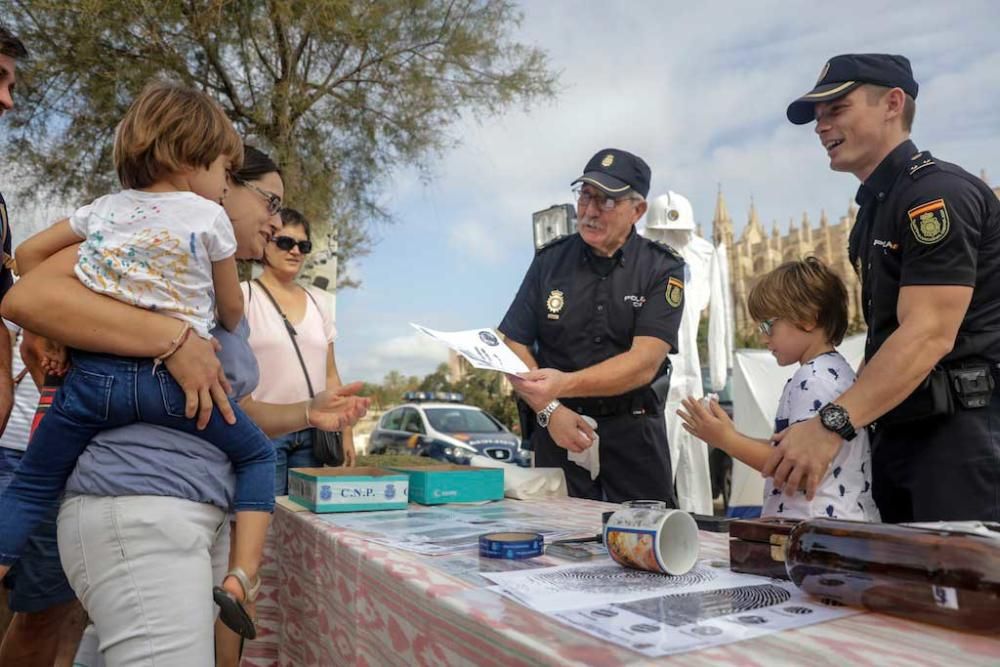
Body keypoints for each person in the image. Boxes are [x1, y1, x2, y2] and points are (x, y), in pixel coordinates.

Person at [1, 144, 369, 665]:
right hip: (142, 504)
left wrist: (309, 411)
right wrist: (173, 339)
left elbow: (221, 406)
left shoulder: (215, 281)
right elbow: (25, 297)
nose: (275, 220)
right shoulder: (145, 246)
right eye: (269, 202)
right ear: (221, 185)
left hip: (198, 510)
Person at [0, 81, 278, 638]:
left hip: (92, 385)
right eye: (225, 173)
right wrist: (195, 320)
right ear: (189, 160)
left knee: (34, 481)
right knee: (257, 459)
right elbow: (228, 309)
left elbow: (27, 257)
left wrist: (102, 283)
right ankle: (241, 578)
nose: (224, 187)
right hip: (167, 391)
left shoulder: (104, 214)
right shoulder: (206, 220)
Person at [767, 53, 1000, 522]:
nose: (820, 126)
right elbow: (886, 338)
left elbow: (927, 333)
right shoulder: (878, 207)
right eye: (817, 116)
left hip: (957, 437)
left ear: (893, 103)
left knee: (961, 588)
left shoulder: (934, 196)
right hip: (902, 430)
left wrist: (831, 424)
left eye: (837, 109)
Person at [500, 148, 686, 504]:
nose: (590, 210)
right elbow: (512, 343)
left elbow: (644, 362)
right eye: (586, 196)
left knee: (646, 547)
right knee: (554, 550)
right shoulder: (549, 262)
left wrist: (563, 385)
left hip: (634, 439)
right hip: (557, 431)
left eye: (607, 201)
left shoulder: (661, 269)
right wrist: (549, 409)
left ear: (638, 210)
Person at [678, 258, 879, 521]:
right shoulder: (831, 372)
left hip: (818, 534)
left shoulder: (815, 380)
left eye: (768, 325)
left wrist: (726, 440)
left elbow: (800, 470)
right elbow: (787, 452)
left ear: (807, 319)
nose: (763, 337)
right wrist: (729, 433)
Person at [243, 207, 356, 496]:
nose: (295, 251)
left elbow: (330, 375)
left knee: (306, 524)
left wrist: (346, 431)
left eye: (303, 245)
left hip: (313, 436)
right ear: (265, 243)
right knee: (262, 521)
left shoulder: (320, 303)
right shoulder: (244, 297)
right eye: (285, 242)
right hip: (263, 433)